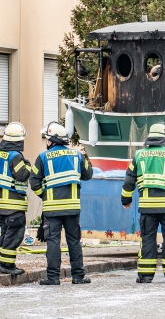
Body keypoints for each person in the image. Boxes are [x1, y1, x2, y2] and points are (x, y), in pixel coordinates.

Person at [122, 121, 165, 283]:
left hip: (147, 207)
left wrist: (126, 199)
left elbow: (129, 180)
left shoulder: (139, 155)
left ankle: (145, 276)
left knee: (147, 239)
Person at [30, 122, 93, 285]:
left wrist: (44, 196)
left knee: (53, 242)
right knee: (74, 241)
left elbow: (34, 182)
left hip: (52, 209)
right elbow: (88, 175)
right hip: (72, 208)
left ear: (51, 140)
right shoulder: (77, 155)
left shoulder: (43, 157)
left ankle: (52, 278)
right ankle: (78, 277)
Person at [0, 123, 31, 276]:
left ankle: (2, 263)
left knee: (5, 234)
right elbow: (22, 175)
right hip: (13, 205)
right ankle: (7, 265)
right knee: (14, 235)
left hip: (1, 207)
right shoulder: (15, 156)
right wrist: (28, 166)